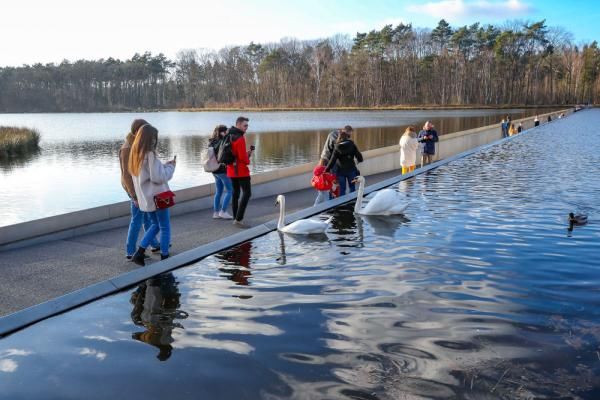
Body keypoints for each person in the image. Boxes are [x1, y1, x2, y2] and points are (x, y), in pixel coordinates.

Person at [129, 124, 176, 265]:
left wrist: (163, 166)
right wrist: (171, 166)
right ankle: (165, 256)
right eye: (154, 138)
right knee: (164, 226)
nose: (156, 141)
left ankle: (139, 252)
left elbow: (147, 174)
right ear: (150, 139)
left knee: (155, 224)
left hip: (146, 198)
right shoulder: (149, 154)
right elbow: (158, 177)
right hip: (158, 197)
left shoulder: (134, 154)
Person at [119, 119, 160, 260]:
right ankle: (130, 251)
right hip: (134, 189)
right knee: (137, 219)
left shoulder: (137, 144)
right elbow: (126, 174)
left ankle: (154, 244)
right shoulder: (127, 148)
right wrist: (134, 196)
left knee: (147, 217)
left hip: (140, 187)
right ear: (137, 131)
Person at [227, 116, 254, 228]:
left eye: (247, 125)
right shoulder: (240, 138)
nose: (246, 128)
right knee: (247, 193)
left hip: (231, 170)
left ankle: (235, 217)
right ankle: (239, 218)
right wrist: (248, 159)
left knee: (235, 193)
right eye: (245, 125)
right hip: (241, 171)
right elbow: (242, 157)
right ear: (238, 124)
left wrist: (245, 154)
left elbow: (236, 153)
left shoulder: (229, 135)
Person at [325, 130, 363, 196]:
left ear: (339, 138)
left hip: (340, 172)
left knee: (342, 190)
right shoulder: (352, 145)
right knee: (352, 188)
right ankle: (352, 203)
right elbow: (359, 157)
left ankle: (343, 204)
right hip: (351, 170)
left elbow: (332, 161)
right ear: (347, 137)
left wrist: (326, 170)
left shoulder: (337, 147)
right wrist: (358, 161)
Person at [209, 125, 233, 219]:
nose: (226, 133)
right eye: (225, 131)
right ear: (222, 132)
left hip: (214, 170)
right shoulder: (222, 142)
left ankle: (216, 213)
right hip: (222, 170)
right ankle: (223, 211)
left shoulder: (211, 142)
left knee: (218, 191)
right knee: (230, 191)